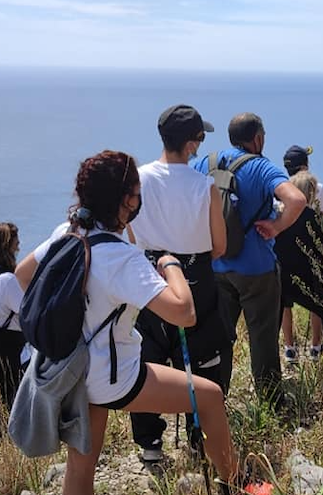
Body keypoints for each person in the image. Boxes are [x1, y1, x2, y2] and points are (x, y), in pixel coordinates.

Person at [13, 151, 237, 495]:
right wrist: (171, 266)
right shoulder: (121, 258)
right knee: (209, 396)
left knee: (81, 466)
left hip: (71, 369)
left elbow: (24, 273)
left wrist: (73, 316)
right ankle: (233, 483)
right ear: (126, 201)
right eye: (136, 193)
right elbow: (183, 312)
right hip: (111, 378)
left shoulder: (68, 233)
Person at [128, 104, 230, 462]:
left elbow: (128, 236)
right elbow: (220, 247)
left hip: (148, 278)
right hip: (196, 278)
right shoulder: (205, 187)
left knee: (146, 359)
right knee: (204, 360)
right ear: (192, 143)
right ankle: (199, 437)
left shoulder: (137, 180)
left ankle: (149, 443)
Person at [194, 113, 306, 405]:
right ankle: (270, 400)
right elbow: (296, 199)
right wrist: (278, 226)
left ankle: (216, 397)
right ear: (257, 138)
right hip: (257, 268)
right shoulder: (260, 166)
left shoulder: (205, 163)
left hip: (215, 264)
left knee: (220, 338)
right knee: (263, 336)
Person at [274, 172, 323, 363]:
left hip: (279, 278)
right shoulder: (313, 218)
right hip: (305, 278)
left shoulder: (278, 214)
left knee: (272, 323)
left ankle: (273, 361)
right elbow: (317, 255)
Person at [282, 144, 323, 360]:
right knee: (317, 297)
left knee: (285, 301)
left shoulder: (281, 188)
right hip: (311, 249)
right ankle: (316, 346)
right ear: (305, 165)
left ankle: (289, 347)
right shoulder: (317, 187)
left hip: (287, 251)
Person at [0, 222, 26, 410]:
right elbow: (28, 311)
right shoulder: (8, 281)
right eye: (16, 240)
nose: (19, 245)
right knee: (13, 399)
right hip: (11, 348)